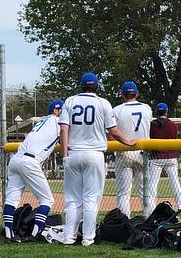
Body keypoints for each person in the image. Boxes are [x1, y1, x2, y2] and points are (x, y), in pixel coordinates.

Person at [58, 73, 135, 245]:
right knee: (91, 198)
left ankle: (69, 237)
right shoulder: (103, 103)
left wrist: (64, 155)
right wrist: (128, 142)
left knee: (72, 199)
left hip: (73, 153)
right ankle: (87, 238)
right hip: (94, 154)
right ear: (97, 87)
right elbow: (113, 131)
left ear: (81, 86)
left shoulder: (70, 101)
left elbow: (64, 130)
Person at [3, 100, 63, 242]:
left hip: (16, 160)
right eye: (62, 110)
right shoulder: (58, 121)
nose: (64, 113)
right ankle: (35, 234)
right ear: (56, 110)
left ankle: (8, 234)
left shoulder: (42, 121)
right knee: (47, 200)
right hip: (30, 161)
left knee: (11, 199)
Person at [111, 81, 152, 216]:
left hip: (124, 152)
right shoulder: (146, 108)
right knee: (145, 191)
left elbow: (111, 133)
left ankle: (124, 221)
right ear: (137, 93)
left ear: (123, 95)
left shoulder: (117, 110)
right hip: (143, 152)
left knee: (123, 192)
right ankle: (150, 219)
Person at [144, 103, 181, 217]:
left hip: (156, 157)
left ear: (157, 112)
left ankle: (151, 207)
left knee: (152, 184)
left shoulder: (151, 125)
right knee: (175, 182)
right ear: (166, 112)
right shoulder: (173, 125)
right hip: (170, 157)